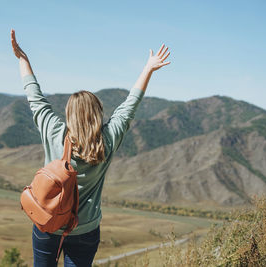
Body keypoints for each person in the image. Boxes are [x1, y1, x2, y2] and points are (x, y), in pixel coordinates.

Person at [11, 29, 170, 267]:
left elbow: (35, 98)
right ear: (97, 115)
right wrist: (148, 69)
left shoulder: (54, 131)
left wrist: (23, 59)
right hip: (85, 231)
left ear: (69, 114)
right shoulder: (107, 140)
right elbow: (129, 106)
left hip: (47, 222)